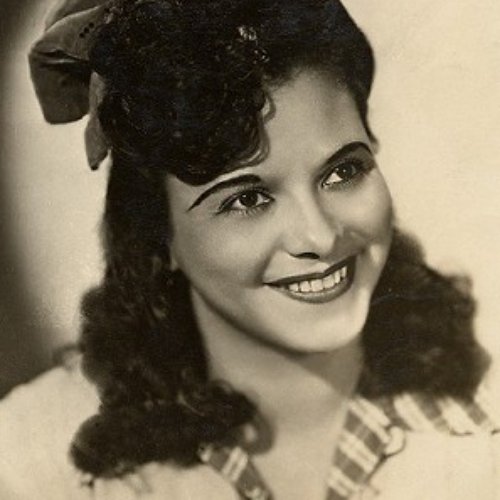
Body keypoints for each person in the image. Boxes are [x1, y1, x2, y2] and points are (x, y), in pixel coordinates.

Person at [1, 0, 499, 498]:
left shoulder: (486, 419)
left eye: (344, 171)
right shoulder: (27, 456)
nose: (320, 237)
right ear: (156, 234)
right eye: (248, 199)